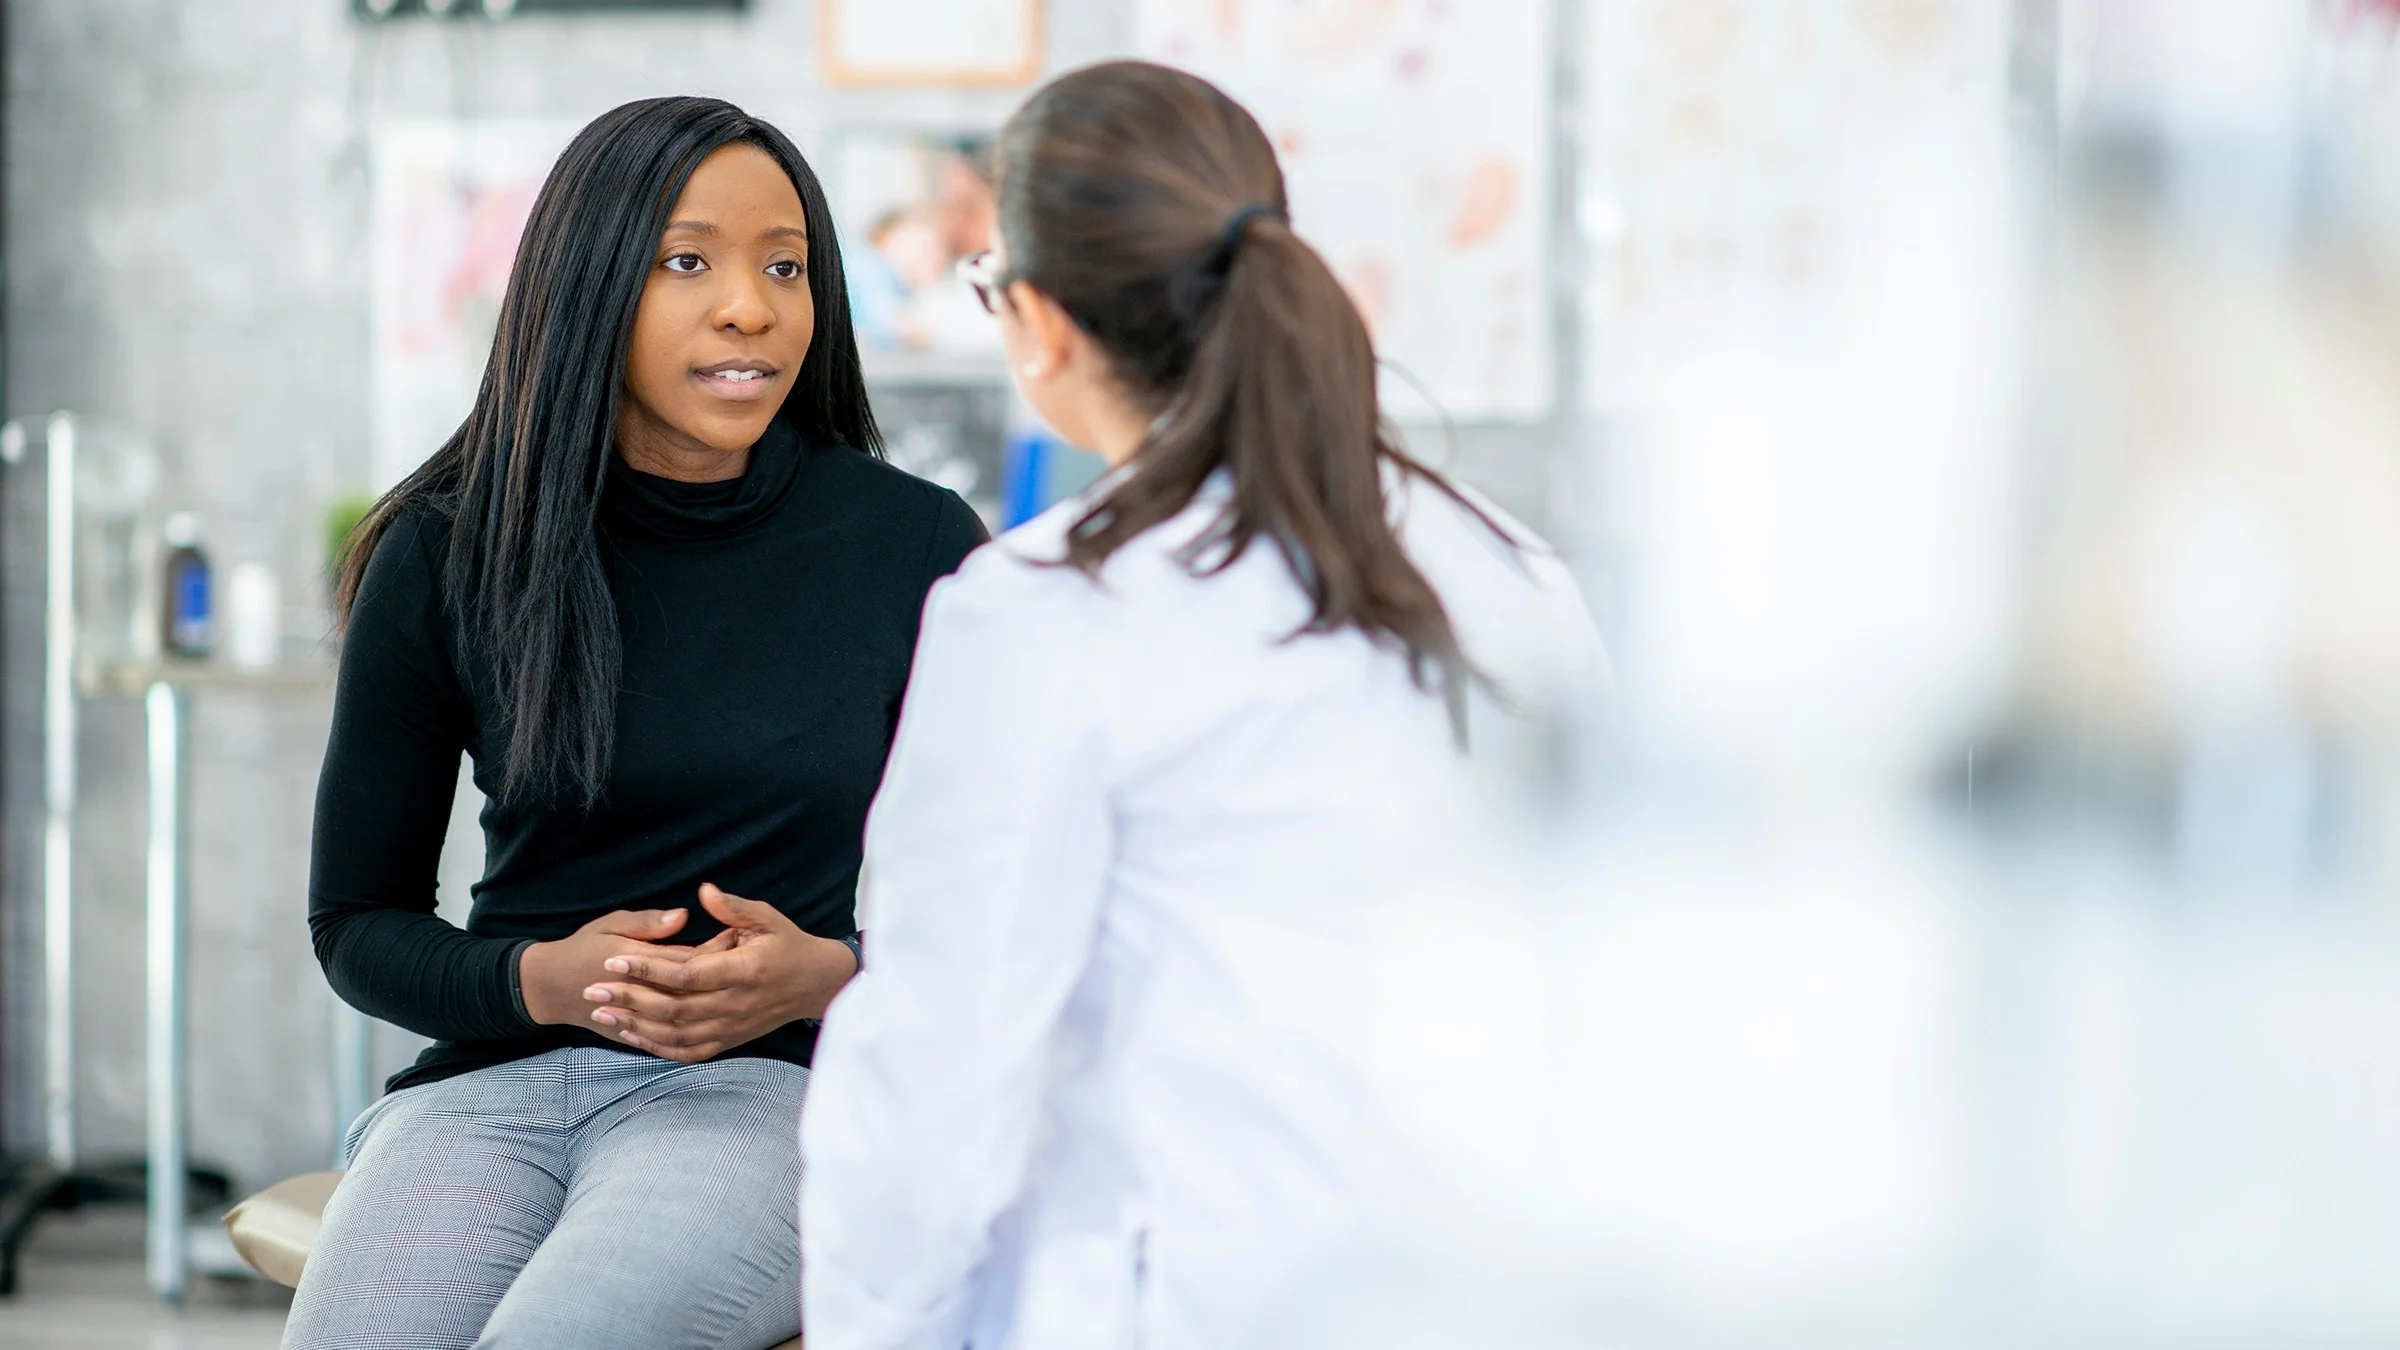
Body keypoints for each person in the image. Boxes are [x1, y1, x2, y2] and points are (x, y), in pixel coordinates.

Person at [798, 61, 1603, 1350]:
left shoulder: (1049, 608)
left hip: (1194, 1298)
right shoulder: (1512, 568)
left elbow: (941, 1069)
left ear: (1040, 324)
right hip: (1498, 1287)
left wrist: (869, 1327)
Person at [287, 95, 986, 1350]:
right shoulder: (447, 546)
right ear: (592, 283)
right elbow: (355, 923)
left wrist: (833, 975)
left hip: (761, 1100)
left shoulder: (915, 545)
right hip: (483, 1097)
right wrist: (538, 979)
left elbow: (1019, 924)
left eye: (786, 265)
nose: (749, 308)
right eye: (687, 260)